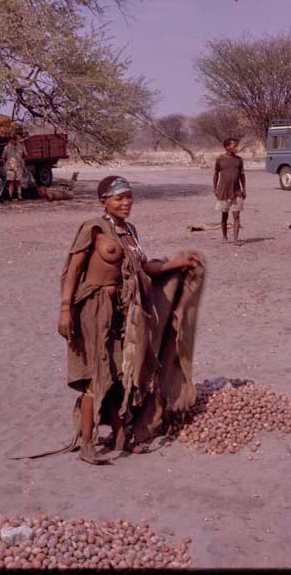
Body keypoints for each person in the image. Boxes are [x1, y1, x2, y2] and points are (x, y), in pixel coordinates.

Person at [58, 176, 205, 464]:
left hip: (124, 309)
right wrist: (65, 309)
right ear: (104, 201)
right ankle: (88, 444)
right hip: (94, 308)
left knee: (122, 373)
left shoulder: (130, 231)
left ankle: (119, 435)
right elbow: (72, 271)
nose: (126, 203)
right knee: (95, 374)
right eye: (118, 198)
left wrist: (179, 263)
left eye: (129, 197)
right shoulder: (94, 228)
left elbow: (145, 267)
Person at [213, 137, 246, 242]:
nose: (236, 148)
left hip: (236, 191)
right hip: (223, 191)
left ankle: (235, 239)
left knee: (236, 215)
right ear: (227, 147)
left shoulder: (239, 160)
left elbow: (242, 175)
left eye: (237, 145)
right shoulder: (220, 159)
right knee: (224, 215)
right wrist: (215, 189)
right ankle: (224, 237)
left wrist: (244, 189)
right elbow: (215, 174)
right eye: (234, 146)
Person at [1, 133, 27, 201]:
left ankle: (19, 195)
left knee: (18, 181)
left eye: (15, 140)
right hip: (10, 167)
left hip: (19, 166)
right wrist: (6, 166)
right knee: (11, 182)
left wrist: (22, 161)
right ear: (10, 140)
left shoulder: (21, 146)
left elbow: (25, 155)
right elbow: (3, 157)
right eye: (12, 140)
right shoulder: (7, 147)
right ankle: (10, 196)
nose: (14, 141)